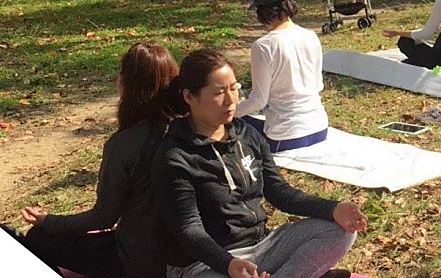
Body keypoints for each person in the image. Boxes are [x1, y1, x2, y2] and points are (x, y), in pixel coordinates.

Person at [154, 49, 366, 278]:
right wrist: (228, 264)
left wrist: (332, 208)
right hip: (206, 263)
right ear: (190, 97)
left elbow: (279, 192)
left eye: (234, 88)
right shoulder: (175, 156)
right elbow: (189, 229)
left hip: (263, 246)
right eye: (218, 93)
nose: (231, 100)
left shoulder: (246, 135)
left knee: (341, 230)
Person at [18, 43, 179, 278]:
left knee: (37, 239)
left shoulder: (124, 144)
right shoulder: (187, 130)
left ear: (125, 83)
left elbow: (104, 216)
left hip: (139, 261)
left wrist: (48, 221)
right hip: (187, 254)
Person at [235, 0, 330, 153]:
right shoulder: (311, 36)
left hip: (284, 137)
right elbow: (318, 85)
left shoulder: (263, 46)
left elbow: (258, 101)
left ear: (263, 12)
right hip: (320, 128)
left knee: (235, 121)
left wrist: (229, 112)